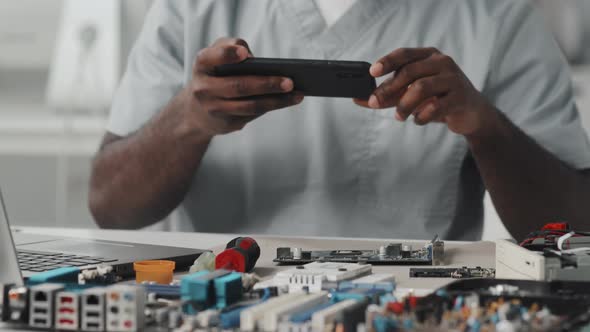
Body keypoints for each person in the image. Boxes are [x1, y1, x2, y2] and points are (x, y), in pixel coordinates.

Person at [89, 0, 590, 241]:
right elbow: (110, 207)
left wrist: (484, 125)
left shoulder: (495, 17)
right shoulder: (190, 9)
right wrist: (187, 121)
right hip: (214, 306)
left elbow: (579, 232)